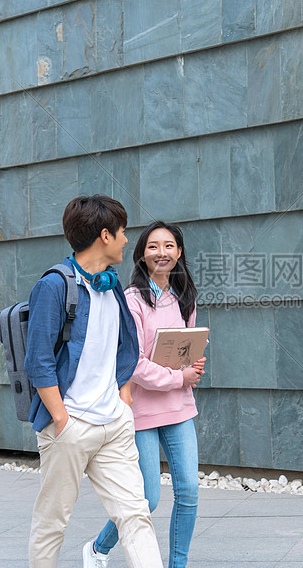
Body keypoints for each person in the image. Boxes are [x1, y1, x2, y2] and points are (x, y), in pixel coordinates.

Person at [25, 195, 163, 568]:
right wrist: (61, 419)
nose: (125, 240)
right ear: (104, 235)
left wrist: (123, 397)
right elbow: (38, 361)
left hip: (113, 424)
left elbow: (125, 345)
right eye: (121, 232)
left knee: (136, 515)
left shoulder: (111, 283)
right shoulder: (54, 286)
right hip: (69, 425)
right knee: (53, 521)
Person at [85, 220, 206, 568]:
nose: (162, 252)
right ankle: (98, 548)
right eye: (153, 246)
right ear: (141, 254)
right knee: (146, 499)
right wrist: (177, 377)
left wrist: (193, 367)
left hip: (179, 408)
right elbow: (133, 364)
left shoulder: (185, 298)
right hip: (140, 411)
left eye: (169, 246)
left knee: (189, 493)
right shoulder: (131, 300)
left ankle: (177, 565)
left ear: (179, 253)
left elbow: (185, 350)